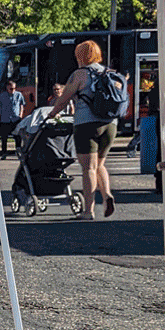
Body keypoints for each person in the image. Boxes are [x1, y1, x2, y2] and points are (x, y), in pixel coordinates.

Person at [46, 40, 119, 220]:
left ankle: (89, 211)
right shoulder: (110, 73)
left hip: (87, 124)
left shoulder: (79, 74)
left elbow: (64, 98)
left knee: (88, 168)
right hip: (110, 125)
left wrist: (53, 113)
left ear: (80, 56)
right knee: (99, 164)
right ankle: (107, 194)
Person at [0, 79, 25, 159]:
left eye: (14, 88)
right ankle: (4, 153)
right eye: (11, 89)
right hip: (5, 120)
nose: (13, 90)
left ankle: (18, 153)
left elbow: (21, 105)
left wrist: (20, 115)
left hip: (16, 119)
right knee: (4, 138)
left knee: (18, 137)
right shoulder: (2, 96)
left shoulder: (19, 95)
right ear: (7, 88)